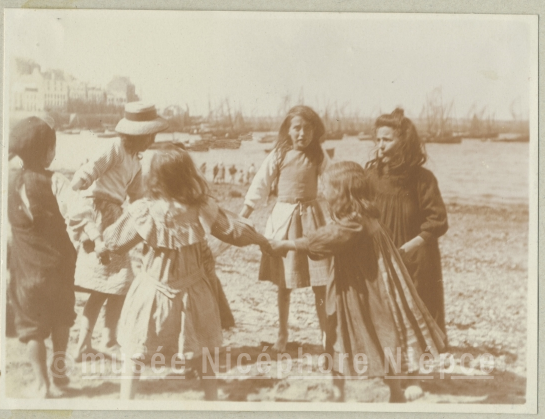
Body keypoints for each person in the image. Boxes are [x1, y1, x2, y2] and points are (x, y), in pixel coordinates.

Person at [99, 146, 270, 400]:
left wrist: (102, 247)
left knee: (135, 351)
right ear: (188, 175)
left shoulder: (144, 210)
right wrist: (261, 240)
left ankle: (126, 402)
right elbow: (233, 231)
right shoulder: (201, 208)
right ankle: (211, 400)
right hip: (194, 294)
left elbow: (116, 240)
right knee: (204, 353)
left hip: (151, 293)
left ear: (155, 179)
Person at [269, 161, 446, 402]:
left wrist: (287, 244)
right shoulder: (363, 216)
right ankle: (367, 391)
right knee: (361, 332)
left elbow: (327, 239)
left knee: (356, 332)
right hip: (361, 284)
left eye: (327, 187)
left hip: (368, 288)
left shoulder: (355, 222)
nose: (322, 191)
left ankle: (384, 392)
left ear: (343, 193)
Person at [67, 102, 169, 362]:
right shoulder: (115, 148)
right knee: (110, 284)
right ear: (137, 134)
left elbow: (136, 197)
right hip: (99, 215)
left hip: (115, 217)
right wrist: (75, 190)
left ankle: (95, 342)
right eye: (149, 136)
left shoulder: (135, 160)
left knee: (114, 285)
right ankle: (102, 341)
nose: (151, 141)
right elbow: (91, 169)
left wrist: (149, 219)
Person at [239, 105, 332, 352]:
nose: (302, 133)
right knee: (284, 283)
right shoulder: (279, 154)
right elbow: (261, 183)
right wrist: (244, 214)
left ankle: (326, 335)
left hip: (312, 221)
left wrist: (341, 211)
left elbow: (332, 183)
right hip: (285, 220)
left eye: (308, 128)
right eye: (297, 128)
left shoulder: (319, 155)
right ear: (288, 130)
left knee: (320, 282)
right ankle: (282, 334)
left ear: (315, 130)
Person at [7, 116, 77, 397]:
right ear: (47, 151)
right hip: (59, 267)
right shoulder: (56, 180)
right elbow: (77, 214)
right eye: (53, 147)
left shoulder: (8, 182)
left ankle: (41, 383)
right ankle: (59, 372)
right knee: (61, 319)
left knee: (32, 330)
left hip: (26, 271)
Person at [366, 108, 449, 338]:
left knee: (421, 313)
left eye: (387, 140)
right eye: (378, 140)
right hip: (381, 250)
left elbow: (437, 221)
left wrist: (407, 249)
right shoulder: (372, 175)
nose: (380, 146)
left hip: (415, 253)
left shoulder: (423, 179)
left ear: (404, 142)